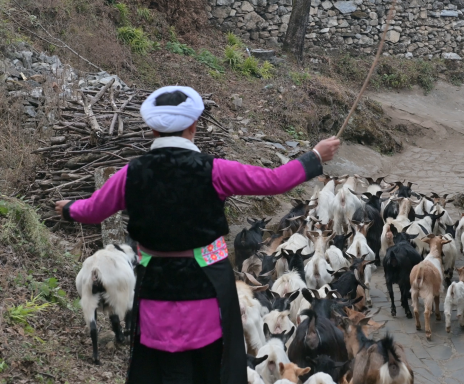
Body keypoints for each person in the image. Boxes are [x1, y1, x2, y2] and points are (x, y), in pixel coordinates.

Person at [55, 86, 340, 384]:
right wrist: (315, 156)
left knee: (160, 366)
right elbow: (274, 180)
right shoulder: (215, 170)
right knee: (211, 367)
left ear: (152, 129)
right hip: (208, 285)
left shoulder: (131, 173)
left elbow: (93, 210)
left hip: (156, 286)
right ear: (193, 126)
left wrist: (69, 209)